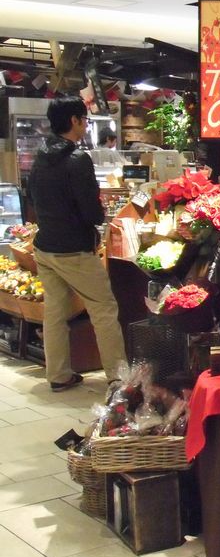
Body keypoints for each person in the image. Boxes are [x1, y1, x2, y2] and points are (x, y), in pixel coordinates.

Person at [28, 96, 127, 392]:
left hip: (45, 246)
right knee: (104, 308)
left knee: (55, 312)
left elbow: (31, 196)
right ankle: (118, 379)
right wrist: (99, 214)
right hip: (74, 249)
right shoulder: (77, 159)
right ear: (74, 120)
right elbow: (91, 211)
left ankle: (58, 375)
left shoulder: (40, 155)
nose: (85, 124)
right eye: (84, 119)